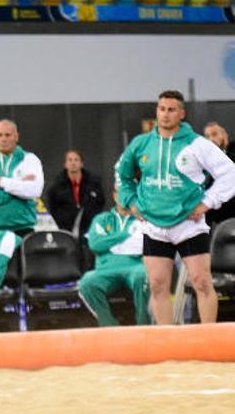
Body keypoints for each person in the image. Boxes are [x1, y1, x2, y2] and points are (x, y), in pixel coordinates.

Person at [115, 90, 235, 325]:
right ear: (156, 111)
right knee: (158, 285)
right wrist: (130, 201)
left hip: (188, 224)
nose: (166, 114)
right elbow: (122, 175)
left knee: (201, 282)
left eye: (171, 110)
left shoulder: (197, 144)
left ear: (182, 113)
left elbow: (230, 173)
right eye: (162, 109)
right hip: (153, 226)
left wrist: (208, 202)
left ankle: (209, 338)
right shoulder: (141, 144)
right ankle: (167, 342)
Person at [79, 188, 149, 327]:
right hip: (105, 270)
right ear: (115, 195)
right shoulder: (101, 219)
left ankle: (144, 327)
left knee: (144, 275)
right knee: (87, 282)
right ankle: (109, 327)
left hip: (135, 267)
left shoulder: (142, 219)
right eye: (121, 193)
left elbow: (141, 245)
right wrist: (126, 235)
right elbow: (95, 244)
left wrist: (109, 242)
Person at [0, 119, 45, 237]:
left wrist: (1, 182)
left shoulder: (30, 159)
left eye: (8, 135)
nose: (3, 139)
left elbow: (34, 190)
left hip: (23, 229)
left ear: (16, 136)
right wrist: (18, 188)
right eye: (0, 135)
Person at [45, 149, 106, 239]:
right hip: (66, 229)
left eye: (76, 160)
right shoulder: (57, 186)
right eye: (70, 160)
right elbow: (52, 205)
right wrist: (64, 220)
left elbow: (100, 202)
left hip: (89, 229)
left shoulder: (93, 183)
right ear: (65, 164)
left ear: (82, 164)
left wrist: (90, 218)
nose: (73, 163)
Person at [203, 121, 235, 226]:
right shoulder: (201, 163)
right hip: (209, 220)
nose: (211, 139)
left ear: (224, 135)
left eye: (214, 134)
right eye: (207, 136)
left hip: (230, 218)